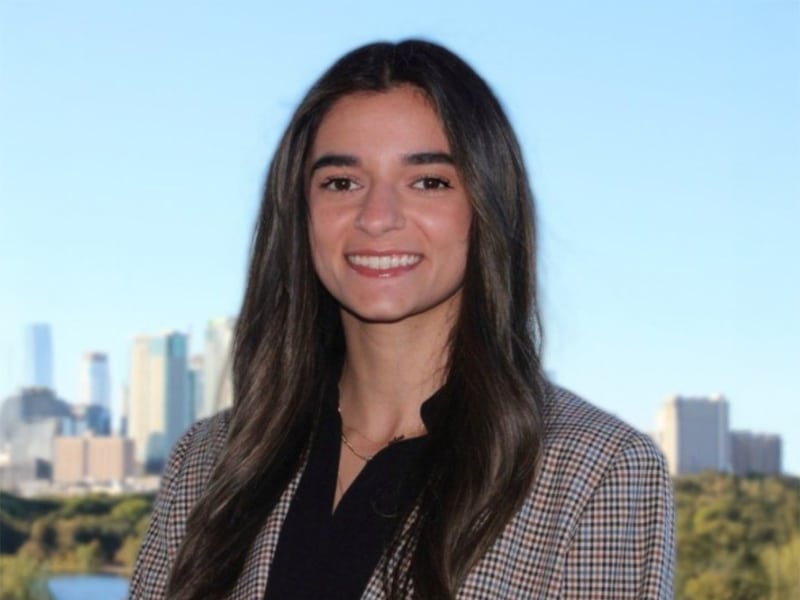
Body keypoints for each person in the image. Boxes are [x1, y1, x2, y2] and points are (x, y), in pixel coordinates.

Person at [129, 40, 674, 599]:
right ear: (299, 212)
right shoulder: (209, 460)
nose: (377, 218)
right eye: (342, 182)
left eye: (428, 181)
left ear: (487, 205)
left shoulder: (594, 472)